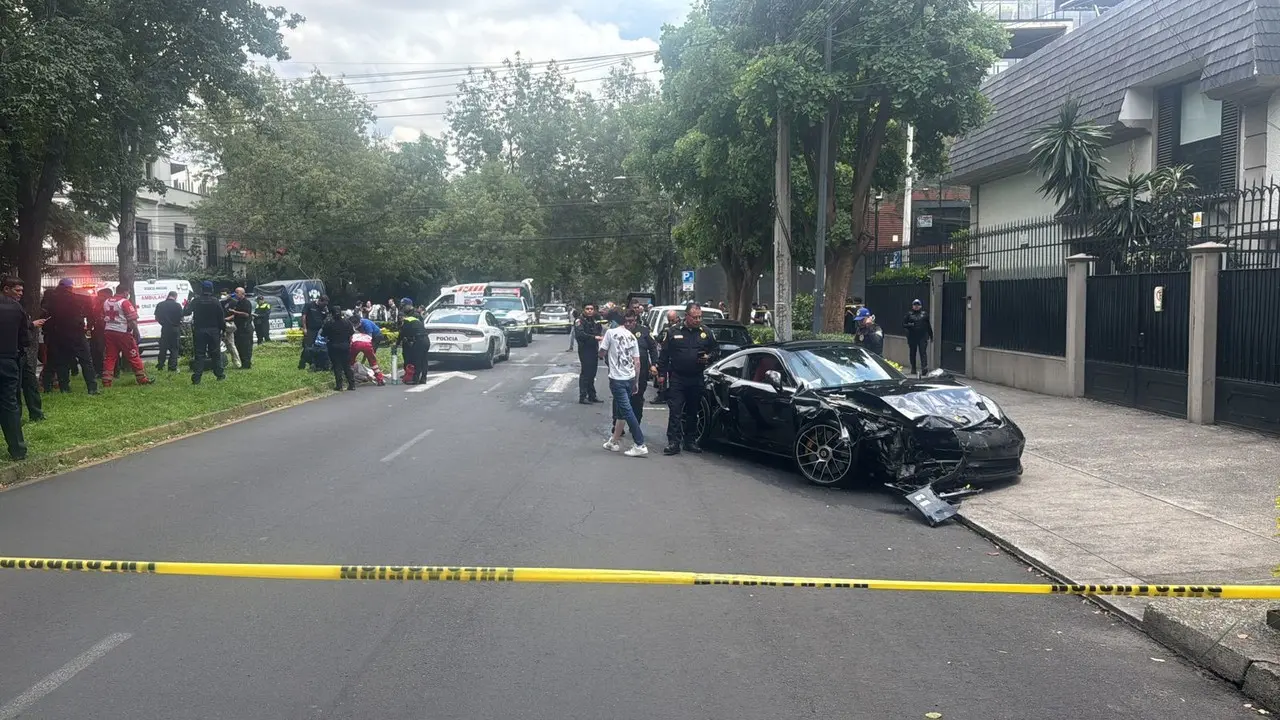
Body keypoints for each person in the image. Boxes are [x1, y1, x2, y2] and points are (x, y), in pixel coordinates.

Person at [658, 303, 717, 456]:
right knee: (675, 410)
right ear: (687, 316)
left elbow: (716, 351)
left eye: (700, 317)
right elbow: (664, 355)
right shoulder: (673, 331)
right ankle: (674, 442)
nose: (698, 320)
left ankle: (690, 441)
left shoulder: (706, 332)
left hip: (696, 377)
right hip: (678, 377)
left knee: (693, 410)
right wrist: (661, 374)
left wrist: (708, 357)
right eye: (695, 317)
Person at [599, 309, 648, 457]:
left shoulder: (610, 333)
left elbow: (601, 353)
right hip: (630, 377)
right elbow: (637, 362)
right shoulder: (632, 337)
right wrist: (636, 382)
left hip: (617, 379)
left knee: (626, 410)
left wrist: (601, 345)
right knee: (621, 411)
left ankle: (639, 443)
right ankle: (614, 441)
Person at [40, 278, 98, 395]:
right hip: (77, 334)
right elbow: (91, 315)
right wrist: (89, 327)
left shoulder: (50, 300)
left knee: (62, 362)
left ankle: (64, 388)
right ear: (70, 287)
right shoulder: (81, 299)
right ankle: (92, 388)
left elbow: (45, 316)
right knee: (86, 361)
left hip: (58, 335)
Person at [2, 278, 44, 423]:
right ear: (6, 289)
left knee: (30, 382)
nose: (20, 294)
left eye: (21, 291)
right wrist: (31, 325)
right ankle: (16, 417)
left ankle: (36, 413)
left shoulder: (17, 306)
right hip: (12, 353)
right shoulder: (12, 308)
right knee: (14, 388)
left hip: (20, 352)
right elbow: (20, 329)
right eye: (17, 290)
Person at [0, 277, 30, 459]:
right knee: (10, 404)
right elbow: (24, 338)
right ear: (5, 289)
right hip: (8, 360)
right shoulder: (16, 308)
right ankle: (18, 449)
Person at [101, 285, 153, 387]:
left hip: (109, 331)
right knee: (133, 354)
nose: (128, 294)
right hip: (123, 332)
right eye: (128, 292)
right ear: (125, 292)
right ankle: (142, 379)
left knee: (110, 357)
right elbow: (132, 320)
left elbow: (104, 316)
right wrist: (136, 332)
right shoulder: (124, 302)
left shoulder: (106, 301)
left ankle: (106, 381)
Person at [185, 281, 226, 384]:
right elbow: (221, 317)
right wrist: (223, 330)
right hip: (213, 330)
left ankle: (197, 378)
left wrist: (188, 301)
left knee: (199, 354)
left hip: (199, 330)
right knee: (216, 353)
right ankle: (220, 374)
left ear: (201, 289)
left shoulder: (196, 301)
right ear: (211, 290)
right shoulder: (215, 301)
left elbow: (186, 312)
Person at [320, 305, 356, 391]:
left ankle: (339, 386)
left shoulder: (329, 323)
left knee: (337, 366)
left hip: (333, 346)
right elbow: (351, 334)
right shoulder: (347, 322)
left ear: (332, 314)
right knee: (347, 365)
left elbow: (323, 334)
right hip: (345, 346)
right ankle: (352, 384)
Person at [394, 298, 429, 384]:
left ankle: (415, 379)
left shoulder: (413, 316)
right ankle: (420, 377)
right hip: (425, 339)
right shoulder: (410, 318)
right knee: (423, 359)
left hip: (417, 340)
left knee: (417, 359)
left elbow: (402, 333)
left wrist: (396, 344)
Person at [574, 303, 603, 404]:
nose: (590, 311)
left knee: (592, 372)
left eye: (591, 309)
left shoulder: (594, 319)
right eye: (587, 309)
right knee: (586, 372)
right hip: (585, 348)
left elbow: (599, 330)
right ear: (583, 310)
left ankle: (592, 395)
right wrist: (594, 337)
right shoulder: (579, 320)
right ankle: (583, 396)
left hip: (593, 347)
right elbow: (580, 334)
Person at [653, 308, 680, 402]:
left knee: (674, 378)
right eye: (669, 320)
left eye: (673, 320)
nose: (671, 322)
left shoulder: (680, 328)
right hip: (665, 355)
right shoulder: (666, 327)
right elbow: (659, 337)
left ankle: (673, 395)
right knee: (661, 376)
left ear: (677, 318)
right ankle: (661, 395)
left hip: (675, 357)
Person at [349, 317, 385, 386]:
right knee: (373, 362)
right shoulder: (357, 326)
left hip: (357, 343)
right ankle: (380, 379)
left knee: (351, 361)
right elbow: (369, 339)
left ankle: (351, 380)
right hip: (367, 343)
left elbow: (370, 335)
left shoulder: (366, 324)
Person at [902, 298, 934, 376]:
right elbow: (903, 324)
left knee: (923, 352)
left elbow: (928, 326)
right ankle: (913, 368)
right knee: (912, 353)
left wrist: (931, 335)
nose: (916, 306)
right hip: (912, 336)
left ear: (920, 306)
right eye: (915, 305)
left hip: (922, 336)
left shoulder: (924, 314)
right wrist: (910, 325)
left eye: (918, 305)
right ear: (912, 306)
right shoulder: (909, 314)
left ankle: (924, 368)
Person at [298, 293, 329, 371]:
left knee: (318, 347)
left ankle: (315, 363)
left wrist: (326, 312)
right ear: (320, 301)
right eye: (324, 304)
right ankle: (302, 363)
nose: (324, 306)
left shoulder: (324, 308)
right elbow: (304, 316)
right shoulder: (309, 305)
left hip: (319, 330)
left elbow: (325, 318)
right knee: (307, 347)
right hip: (310, 329)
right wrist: (304, 328)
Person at [154, 290, 183, 372]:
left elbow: (157, 318)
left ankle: (160, 365)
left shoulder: (160, 305)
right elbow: (181, 318)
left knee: (163, 347)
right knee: (174, 348)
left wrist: (163, 323)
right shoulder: (177, 306)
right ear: (175, 296)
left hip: (165, 328)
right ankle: (172, 367)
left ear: (168, 295)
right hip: (175, 329)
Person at [228, 287, 255, 369]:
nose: (235, 294)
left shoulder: (246, 302)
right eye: (235, 292)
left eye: (237, 292)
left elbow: (246, 314)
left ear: (242, 293)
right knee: (239, 346)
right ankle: (243, 363)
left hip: (245, 328)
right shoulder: (238, 303)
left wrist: (235, 312)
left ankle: (247, 364)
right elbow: (235, 315)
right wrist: (227, 318)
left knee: (246, 346)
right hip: (239, 328)